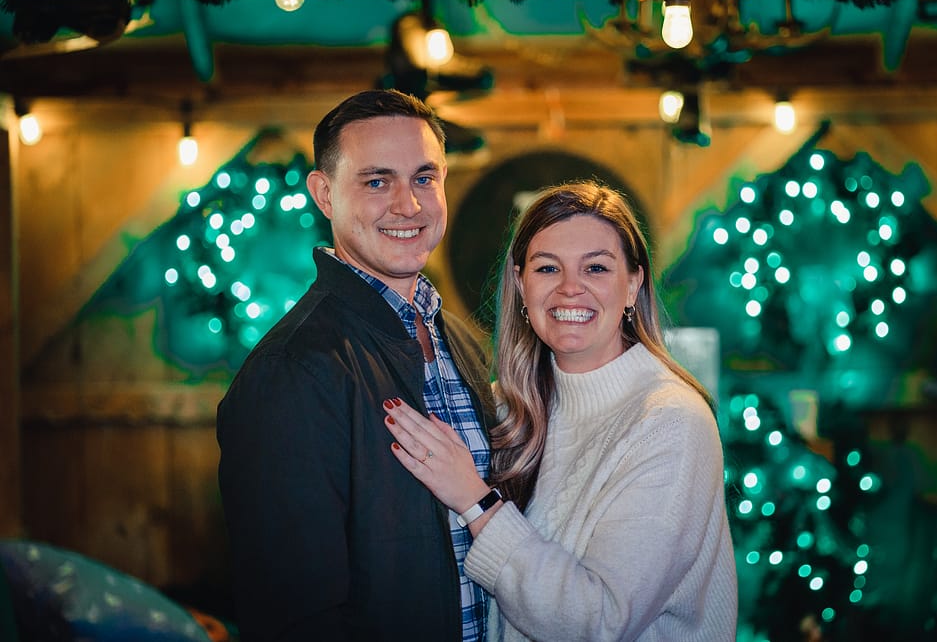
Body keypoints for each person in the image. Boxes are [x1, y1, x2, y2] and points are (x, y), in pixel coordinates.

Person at [384, 180, 738, 641]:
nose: (571, 289)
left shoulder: (670, 423)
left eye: (596, 268)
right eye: (548, 268)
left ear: (633, 285)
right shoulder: (508, 406)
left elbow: (600, 620)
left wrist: (474, 500)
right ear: (521, 284)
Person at [217, 89, 497, 641]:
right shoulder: (292, 368)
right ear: (324, 194)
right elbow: (293, 613)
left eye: (424, 177)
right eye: (376, 181)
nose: (408, 205)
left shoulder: (461, 342)